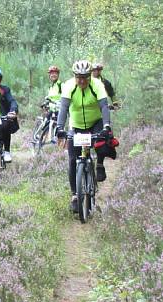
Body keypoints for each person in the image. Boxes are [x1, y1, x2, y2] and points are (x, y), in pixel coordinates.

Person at [55, 60, 112, 212]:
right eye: (78, 77)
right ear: (74, 76)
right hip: (76, 125)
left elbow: (104, 106)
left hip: (95, 122)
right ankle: (75, 195)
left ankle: (99, 164)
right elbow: (64, 108)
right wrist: (59, 128)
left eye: (84, 77)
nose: (81, 80)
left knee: (102, 143)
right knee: (73, 159)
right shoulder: (68, 86)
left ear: (89, 76)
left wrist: (106, 126)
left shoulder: (97, 85)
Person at [45, 65, 62, 132]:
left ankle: (56, 140)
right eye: (51, 73)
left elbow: (64, 97)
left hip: (58, 110)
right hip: (52, 109)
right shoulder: (51, 86)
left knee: (58, 128)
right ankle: (42, 139)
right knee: (46, 124)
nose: (53, 75)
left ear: (58, 74)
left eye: (55, 73)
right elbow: (49, 97)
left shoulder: (60, 85)